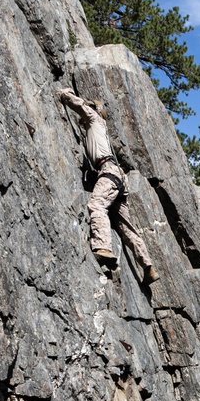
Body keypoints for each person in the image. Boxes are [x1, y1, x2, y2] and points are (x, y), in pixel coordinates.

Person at [59, 87, 158, 284]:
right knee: (126, 227)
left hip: (109, 171)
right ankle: (148, 266)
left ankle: (103, 246)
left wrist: (66, 94)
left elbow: (80, 106)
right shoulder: (98, 130)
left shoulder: (95, 119)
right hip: (117, 177)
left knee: (97, 205)